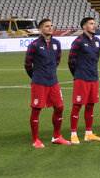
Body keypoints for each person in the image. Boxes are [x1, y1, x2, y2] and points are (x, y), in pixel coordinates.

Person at [24, 18, 69, 148]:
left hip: (53, 81)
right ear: (40, 29)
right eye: (47, 26)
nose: (50, 28)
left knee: (59, 107)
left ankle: (57, 136)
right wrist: (36, 76)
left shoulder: (56, 43)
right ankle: (35, 140)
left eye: (51, 25)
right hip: (39, 82)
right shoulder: (34, 45)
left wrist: (50, 73)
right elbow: (27, 64)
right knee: (36, 109)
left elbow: (57, 60)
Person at [67, 16, 100, 144]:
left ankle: (88, 133)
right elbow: (71, 61)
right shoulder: (78, 41)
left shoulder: (97, 41)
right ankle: (73, 134)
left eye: (94, 23)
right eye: (91, 23)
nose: (94, 25)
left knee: (90, 105)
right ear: (84, 26)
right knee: (77, 105)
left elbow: (96, 58)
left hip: (94, 77)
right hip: (82, 78)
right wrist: (77, 74)